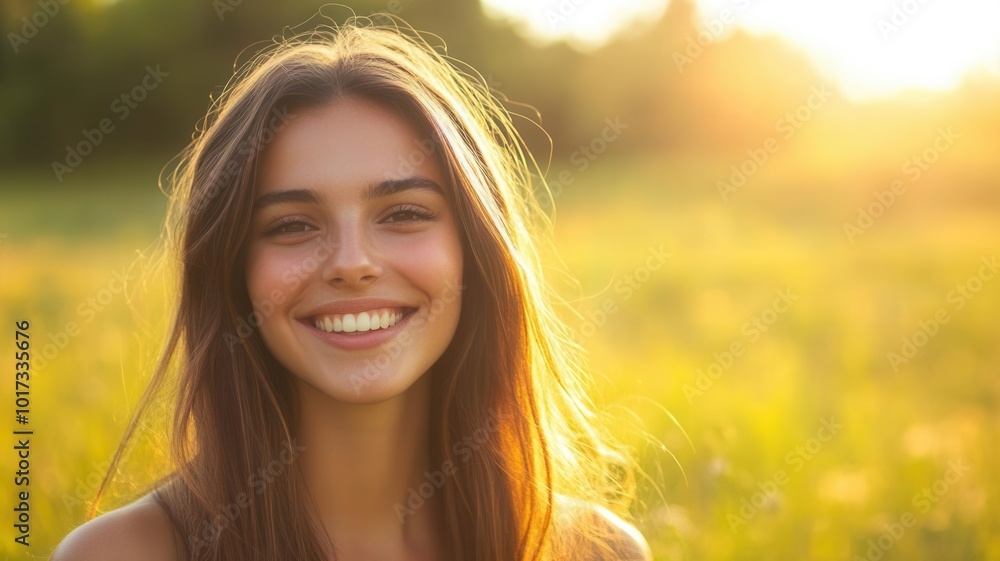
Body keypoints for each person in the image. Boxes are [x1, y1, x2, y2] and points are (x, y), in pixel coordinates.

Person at [52, 15, 652, 561]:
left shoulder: (598, 553)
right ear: (231, 273)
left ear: (476, 251)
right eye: (291, 225)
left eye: (403, 213)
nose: (352, 263)